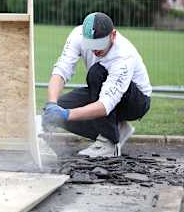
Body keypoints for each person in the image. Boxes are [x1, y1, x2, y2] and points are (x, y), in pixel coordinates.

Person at [42, 12, 151, 158]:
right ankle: (117, 129)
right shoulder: (77, 35)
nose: (95, 50)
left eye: (99, 44)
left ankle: (109, 143)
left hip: (135, 102)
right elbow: (62, 70)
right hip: (102, 87)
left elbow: (106, 104)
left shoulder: (124, 55)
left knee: (97, 72)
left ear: (113, 35)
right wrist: (52, 104)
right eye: (91, 45)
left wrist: (66, 115)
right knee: (59, 106)